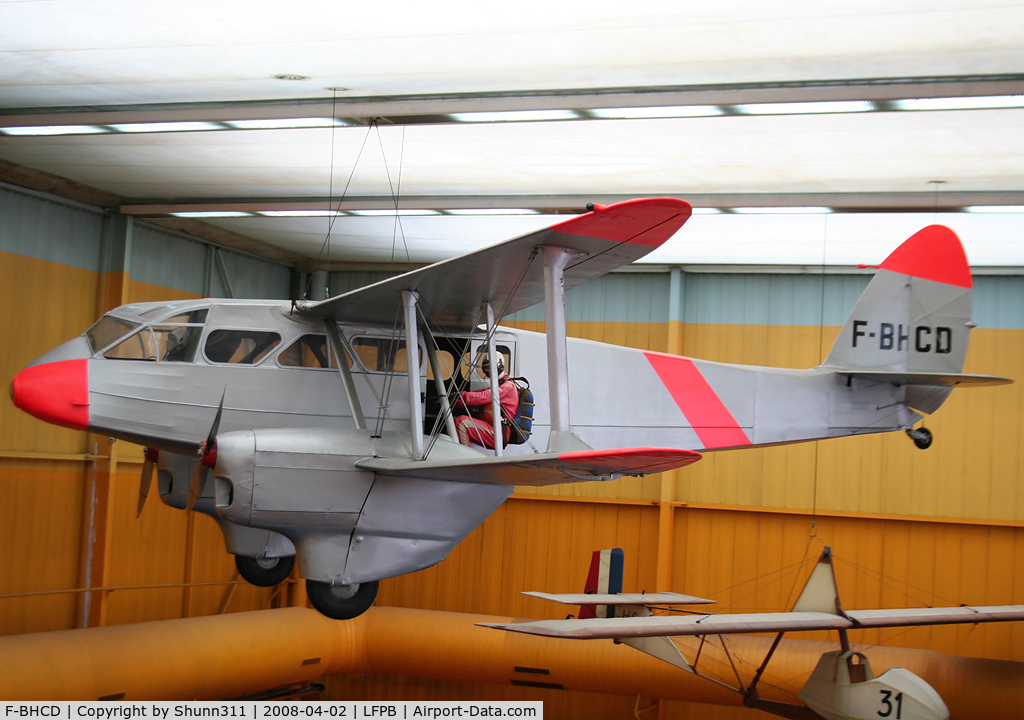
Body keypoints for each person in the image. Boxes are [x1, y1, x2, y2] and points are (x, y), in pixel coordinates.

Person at [454, 355, 519, 449]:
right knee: (453, 422)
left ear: (500, 366)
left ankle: (464, 460)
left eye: (491, 367)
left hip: (499, 432)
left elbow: (485, 396)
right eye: (486, 368)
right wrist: (458, 400)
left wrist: (463, 396)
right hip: (492, 428)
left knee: (461, 422)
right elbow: (480, 393)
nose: (489, 371)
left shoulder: (508, 386)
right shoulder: (500, 385)